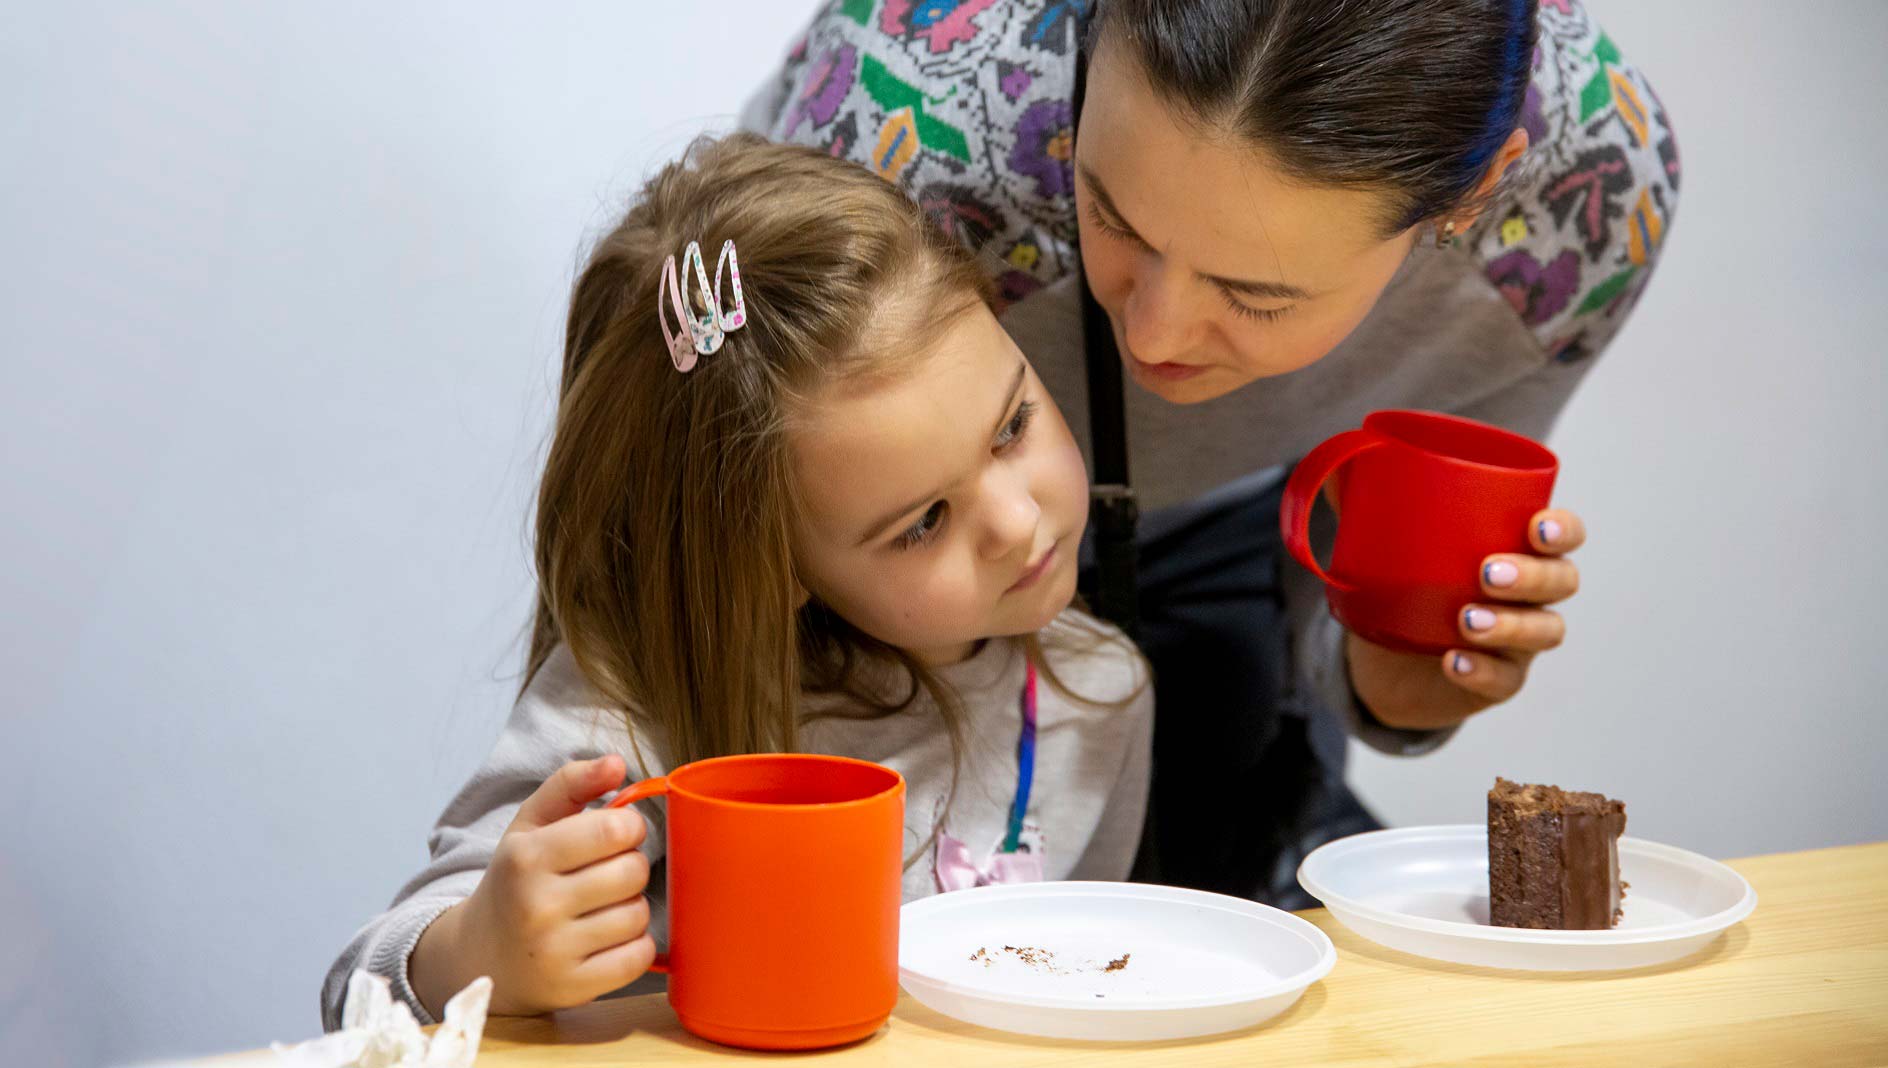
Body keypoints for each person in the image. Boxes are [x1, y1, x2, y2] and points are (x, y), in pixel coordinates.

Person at [746, 0, 1675, 903]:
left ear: (1474, 195)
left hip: (1226, 538)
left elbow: (1350, 615)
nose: (1151, 335)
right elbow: (665, 517)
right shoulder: (912, 110)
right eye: (1110, 216)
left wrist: (1391, 675)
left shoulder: (1578, 219)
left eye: (1256, 297)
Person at [322, 135, 1149, 1027]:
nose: (1019, 520)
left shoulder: (1102, 697)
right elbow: (357, 994)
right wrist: (478, 950)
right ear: (777, 565)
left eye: (1012, 425)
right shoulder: (638, 712)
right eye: (923, 522)